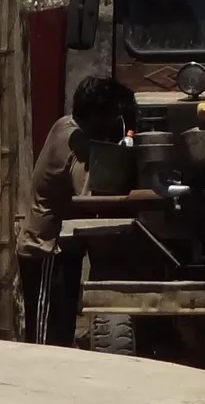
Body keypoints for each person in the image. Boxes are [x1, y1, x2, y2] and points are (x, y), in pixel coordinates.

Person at [20, 73, 134, 346]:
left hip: (62, 252)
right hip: (47, 251)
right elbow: (91, 201)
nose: (113, 124)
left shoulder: (64, 124)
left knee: (61, 333)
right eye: (111, 116)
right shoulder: (77, 144)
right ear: (96, 115)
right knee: (46, 339)